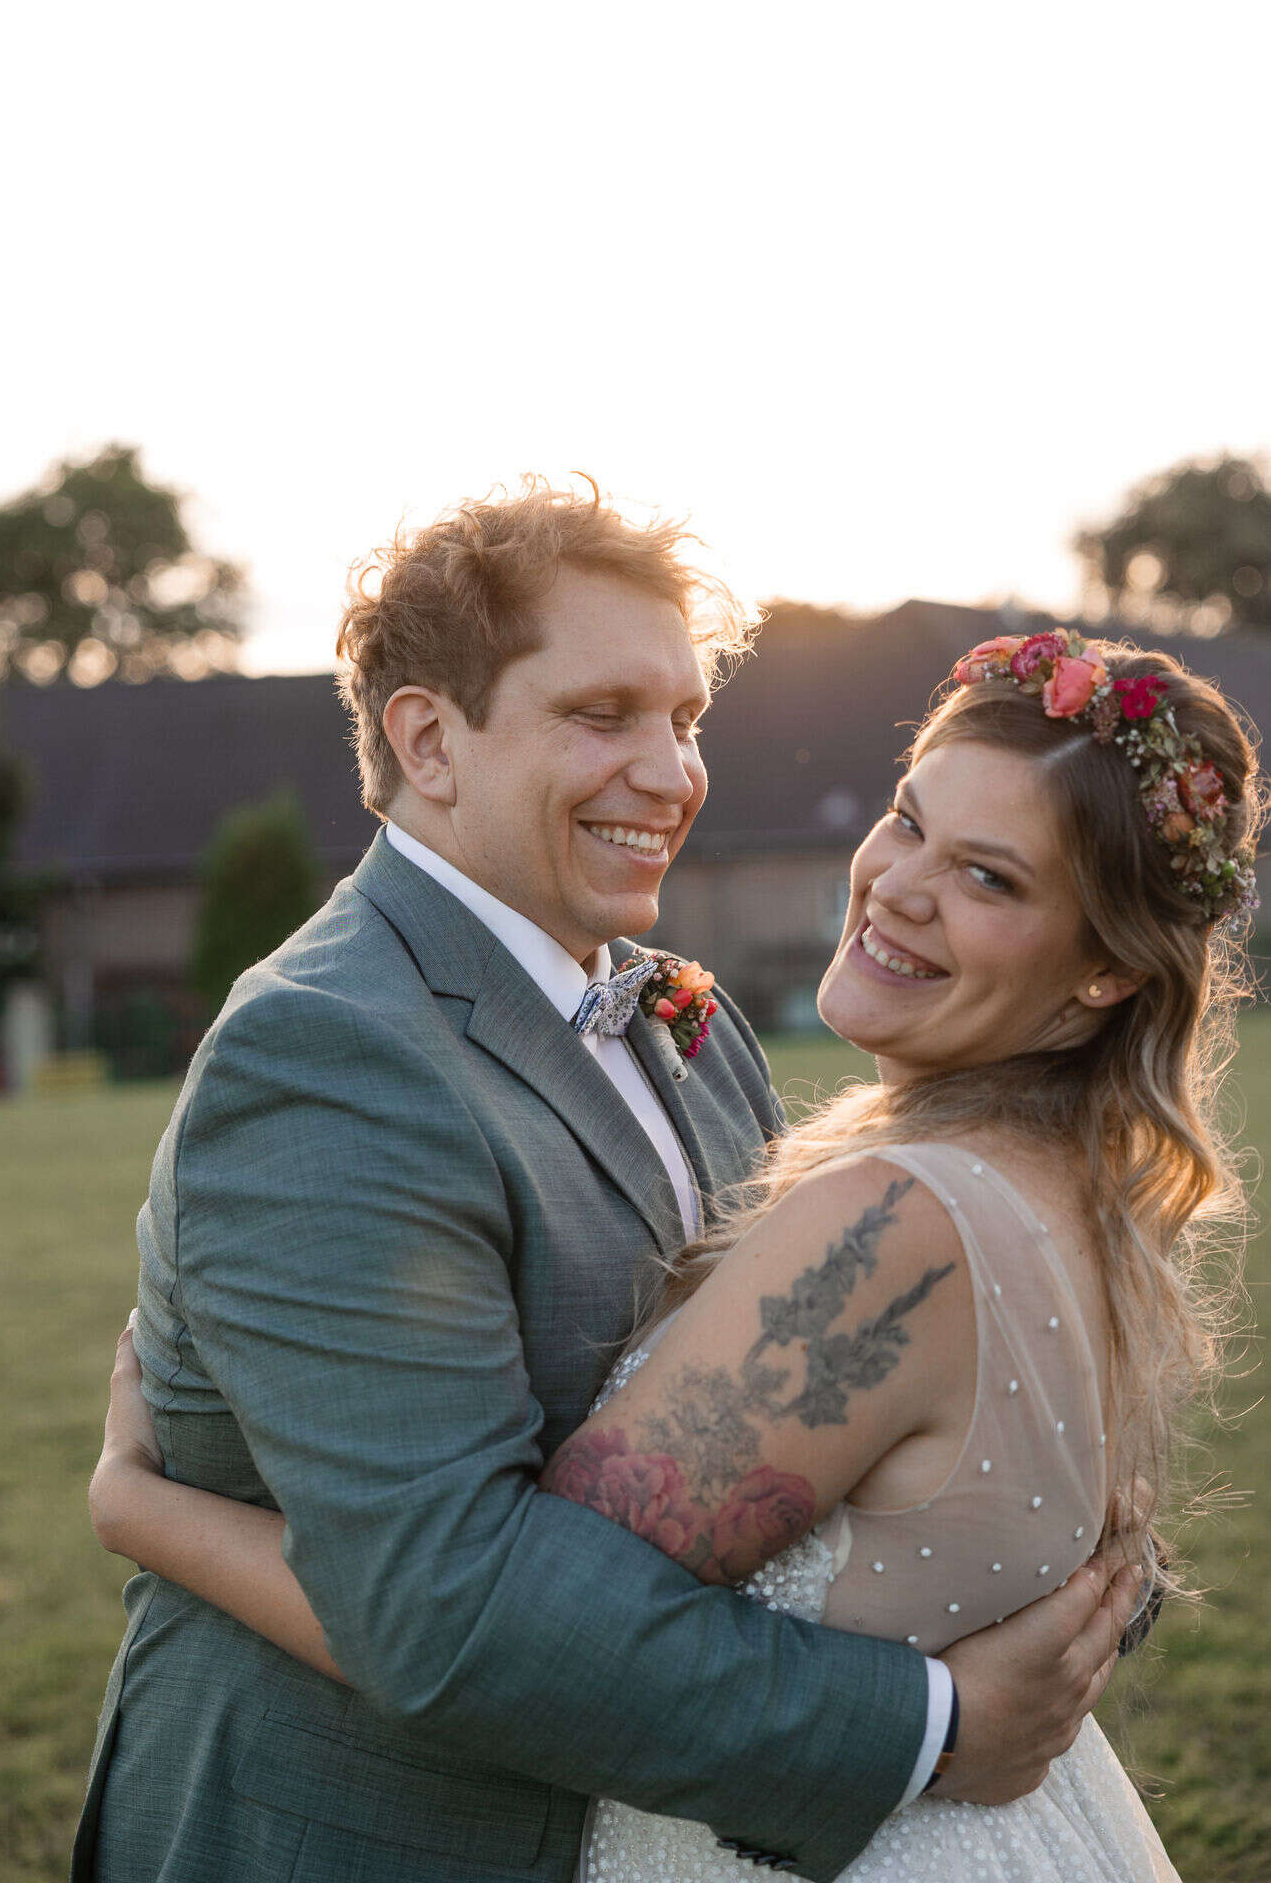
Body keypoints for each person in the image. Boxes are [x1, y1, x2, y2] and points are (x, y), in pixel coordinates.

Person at [76, 483, 1146, 1883]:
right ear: (428, 740)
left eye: (685, 720)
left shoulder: (682, 1021)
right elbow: (446, 1611)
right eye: (603, 716)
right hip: (368, 1836)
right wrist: (932, 1726)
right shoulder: (329, 1056)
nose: (673, 773)